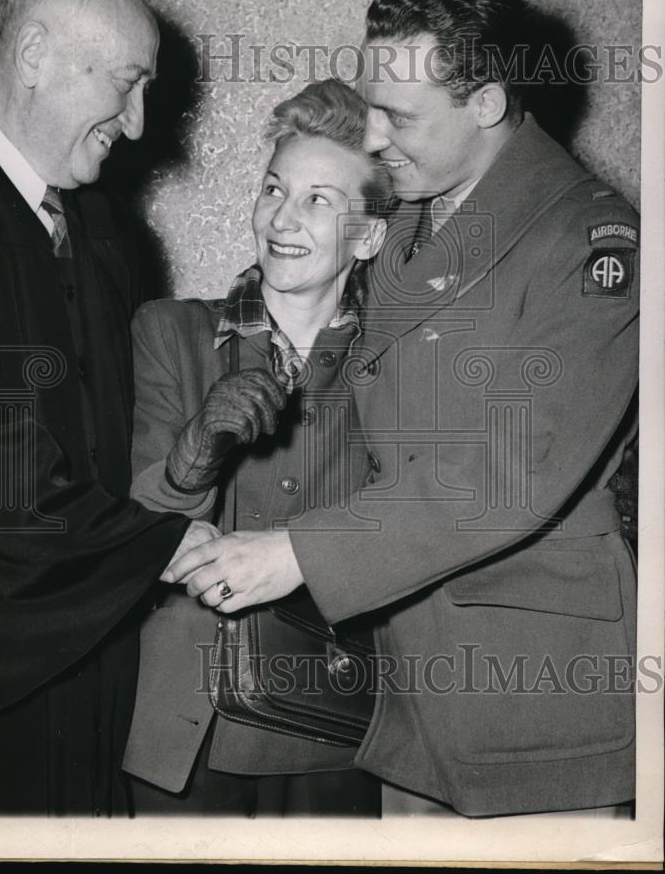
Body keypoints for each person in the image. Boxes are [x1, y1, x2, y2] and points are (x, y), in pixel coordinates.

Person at [166, 0, 640, 817]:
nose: (373, 137)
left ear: (488, 105)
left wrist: (294, 554)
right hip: (408, 692)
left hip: (530, 698)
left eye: (398, 115)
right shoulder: (409, 221)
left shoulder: (590, 238)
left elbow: (507, 474)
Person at [0, 0, 217, 816]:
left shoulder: (101, 227)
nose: (138, 125)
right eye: (127, 84)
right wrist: (159, 546)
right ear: (34, 55)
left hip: (94, 648)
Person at [121, 79, 391, 815]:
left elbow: (408, 530)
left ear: (368, 236)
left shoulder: (401, 362)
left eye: (319, 201)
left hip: (332, 725)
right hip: (184, 730)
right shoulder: (169, 331)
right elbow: (140, 519)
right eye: (275, 189)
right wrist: (197, 449)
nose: (283, 218)